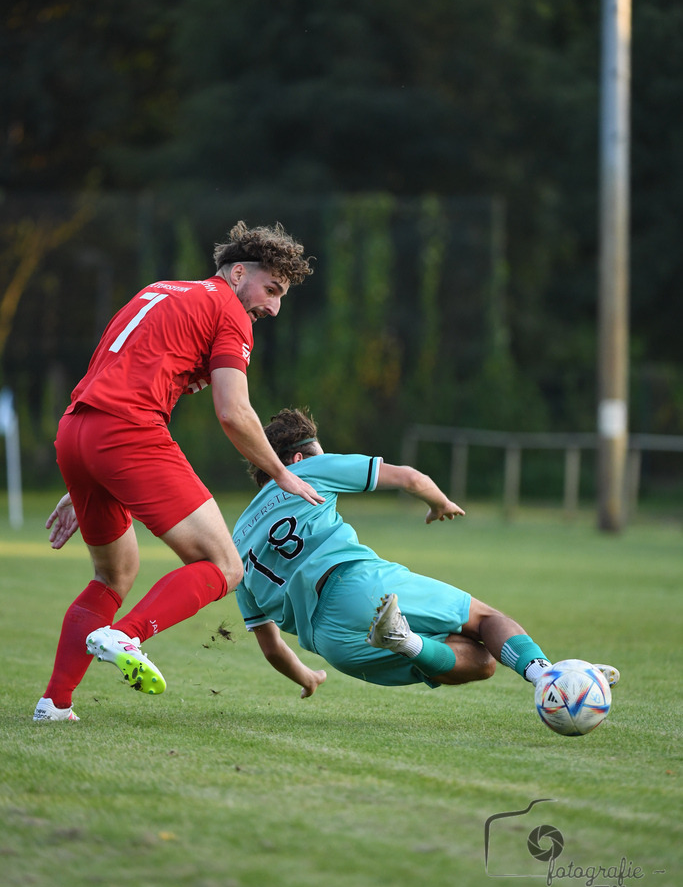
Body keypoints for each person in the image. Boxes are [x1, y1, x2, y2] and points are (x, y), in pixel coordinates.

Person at [33, 222, 324, 722]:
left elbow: (114, 374)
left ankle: (54, 703)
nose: (273, 307)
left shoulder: (160, 291)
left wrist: (87, 473)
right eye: (271, 289)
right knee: (226, 565)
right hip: (125, 435)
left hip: (77, 432)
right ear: (237, 273)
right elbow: (234, 412)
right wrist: (281, 472)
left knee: (114, 573)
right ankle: (125, 636)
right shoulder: (230, 312)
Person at [230, 408, 619, 704]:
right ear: (298, 461)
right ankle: (550, 677)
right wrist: (440, 502)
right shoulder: (310, 469)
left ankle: (408, 642)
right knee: (486, 619)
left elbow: (270, 645)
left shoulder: (237, 542)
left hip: (332, 645)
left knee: (480, 664)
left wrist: (307, 677)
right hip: (355, 585)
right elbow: (410, 478)